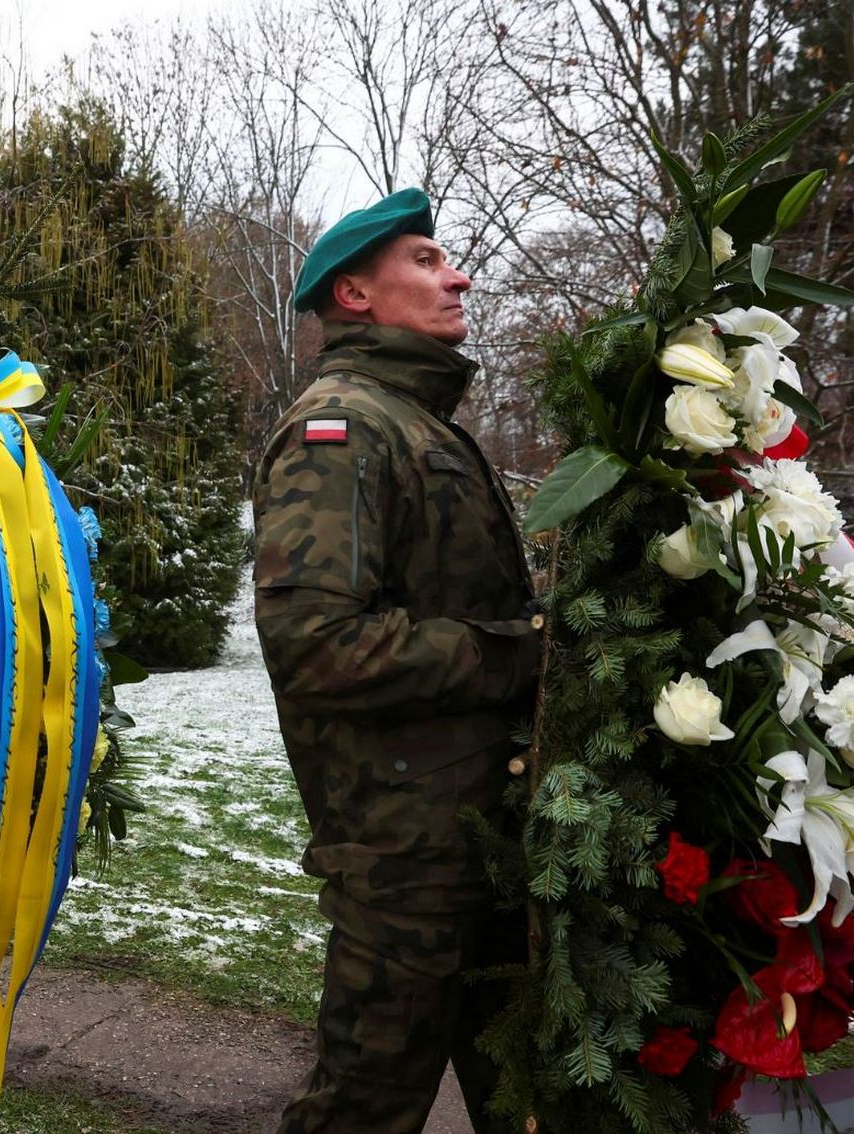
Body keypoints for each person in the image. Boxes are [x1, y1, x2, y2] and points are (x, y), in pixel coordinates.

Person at [252, 188, 541, 1134]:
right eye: (423, 260)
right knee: (362, 1113)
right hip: (408, 863)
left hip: (480, 842)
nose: (455, 274)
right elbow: (315, 644)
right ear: (356, 295)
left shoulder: (417, 420)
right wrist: (516, 658)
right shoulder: (340, 430)